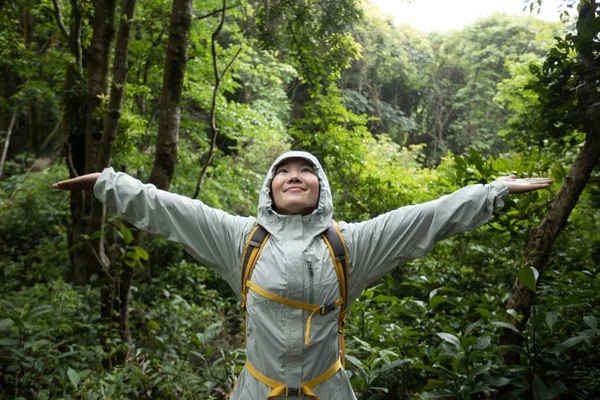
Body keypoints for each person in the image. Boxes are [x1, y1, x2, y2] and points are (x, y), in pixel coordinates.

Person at [53, 151, 552, 399]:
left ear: (321, 187)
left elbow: (425, 218)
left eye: (306, 171)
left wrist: (492, 192)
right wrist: (108, 183)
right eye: (284, 171)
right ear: (269, 188)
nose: (295, 175)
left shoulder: (351, 244)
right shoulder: (239, 239)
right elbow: (168, 209)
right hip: (258, 389)